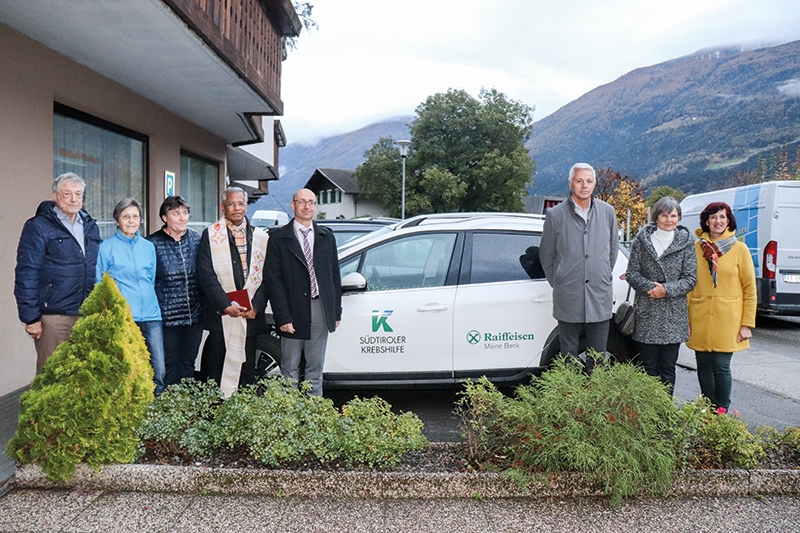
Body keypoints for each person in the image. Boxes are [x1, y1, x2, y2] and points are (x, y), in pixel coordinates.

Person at [14, 173, 101, 373]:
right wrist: (31, 318)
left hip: (86, 313)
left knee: (83, 377)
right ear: (55, 196)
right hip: (54, 317)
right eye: (67, 194)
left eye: (78, 194)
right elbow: (27, 272)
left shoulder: (90, 226)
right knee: (52, 376)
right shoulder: (38, 226)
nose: (73, 199)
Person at [539, 163, 619, 371]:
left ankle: (595, 390)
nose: (584, 185)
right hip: (568, 295)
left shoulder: (608, 212)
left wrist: (601, 275)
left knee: (598, 356)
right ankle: (571, 391)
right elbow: (546, 255)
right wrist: (559, 281)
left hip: (599, 295)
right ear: (570, 183)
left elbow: (612, 251)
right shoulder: (555, 215)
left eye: (589, 181)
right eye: (579, 181)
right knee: (568, 355)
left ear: (595, 183)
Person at [266, 188, 342, 396]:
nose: (307, 206)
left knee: (315, 368)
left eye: (311, 202)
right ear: (293, 205)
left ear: (315, 206)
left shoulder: (326, 236)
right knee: (289, 368)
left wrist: (336, 312)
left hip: (320, 308)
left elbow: (334, 277)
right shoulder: (279, 238)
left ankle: (314, 411)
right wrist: (282, 316)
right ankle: (290, 413)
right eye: (301, 202)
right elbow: (273, 281)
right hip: (292, 310)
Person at [196, 187, 269, 397]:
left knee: (247, 372)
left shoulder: (261, 237)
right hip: (222, 316)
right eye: (231, 204)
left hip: (249, 315)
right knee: (218, 370)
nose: (237, 208)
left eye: (240, 204)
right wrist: (225, 305)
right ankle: (219, 411)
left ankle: (243, 413)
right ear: (223, 207)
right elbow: (206, 275)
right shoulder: (211, 235)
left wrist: (256, 306)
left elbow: (268, 277)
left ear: (246, 206)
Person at [687, 201, 757, 413]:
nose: (718, 221)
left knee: (721, 365)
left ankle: (722, 410)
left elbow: (750, 289)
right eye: (713, 217)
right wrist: (685, 319)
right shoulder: (695, 249)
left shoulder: (739, 249)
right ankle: (708, 409)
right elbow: (689, 285)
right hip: (699, 316)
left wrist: (746, 324)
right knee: (703, 364)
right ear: (706, 221)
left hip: (728, 319)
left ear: (728, 221)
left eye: (722, 217)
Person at [625, 196, 697, 394]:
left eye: (673, 215)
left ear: (679, 217)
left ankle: (664, 409)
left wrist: (666, 290)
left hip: (673, 315)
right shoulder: (641, 241)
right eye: (664, 215)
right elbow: (631, 273)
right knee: (647, 368)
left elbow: (690, 279)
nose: (669, 220)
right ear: (656, 217)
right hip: (647, 312)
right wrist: (651, 288)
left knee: (667, 368)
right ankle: (648, 409)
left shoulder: (687, 243)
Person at [96, 198, 165, 395]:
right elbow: (100, 284)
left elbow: (151, 278)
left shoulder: (148, 247)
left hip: (151, 314)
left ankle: (155, 407)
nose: (131, 221)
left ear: (141, 219)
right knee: (127, 368)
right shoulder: (106, 247)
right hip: (124, 316)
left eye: (135, 216)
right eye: (126, 216)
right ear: (117, 220)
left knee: (158, 369)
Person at [146, 196, 204, 387]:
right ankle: (168, 402)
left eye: (185, 213)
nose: (182, 218)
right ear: (164, 217)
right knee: (167, 366)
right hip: (166, 319)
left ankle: (184, 402)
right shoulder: (151, 244)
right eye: (176, 213)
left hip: (194, 316)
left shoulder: (197, 240)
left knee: (188, 364)